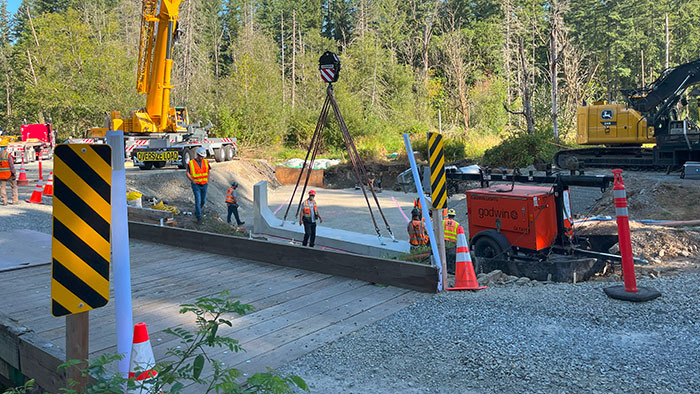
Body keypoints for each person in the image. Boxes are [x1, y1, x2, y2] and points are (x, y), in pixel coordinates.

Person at [187, 147, 209, 221]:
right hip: (196, 185)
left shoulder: (206, 162)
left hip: (204, 184)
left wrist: (208, 179)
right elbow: (187, 173)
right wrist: (192, 180)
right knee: (198, 200)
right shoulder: (191, 163)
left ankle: (197, 211)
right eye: (200, 156)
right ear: (197, 155)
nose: (201, 158)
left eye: (203, 157)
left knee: (203, 201)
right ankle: (199, 217)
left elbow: (209, 171)